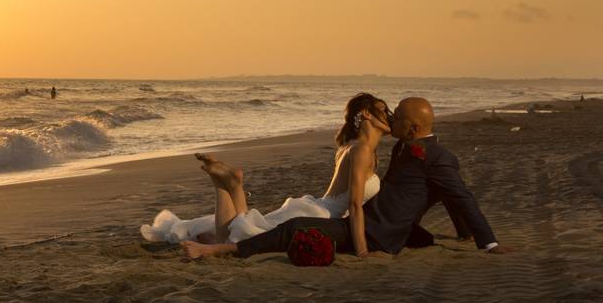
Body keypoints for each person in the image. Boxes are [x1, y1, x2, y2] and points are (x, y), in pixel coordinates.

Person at [180, 97, 507, 260]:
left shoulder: (436, 158)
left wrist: (486, 242)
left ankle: (215, 249)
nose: (391, 119)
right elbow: (442, 197)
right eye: (387, 114)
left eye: (397, 118)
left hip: (375, 229)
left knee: (294, 228)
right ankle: (226, 205)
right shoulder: (400, 148)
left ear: (413, 130)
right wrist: (460, 235)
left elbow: (460, 197)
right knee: (272, 225)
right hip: (371, 221)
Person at [141, 93, 392, 256]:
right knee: (236, 235)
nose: (388, 115)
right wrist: (362, 251)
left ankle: (229, 185)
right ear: (367, 115)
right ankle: (227, 185)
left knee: (247, 229)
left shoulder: (352, 146)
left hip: (313, 208)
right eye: (383, 110)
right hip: (317, 215)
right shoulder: (362, 150)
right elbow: (355, 206)